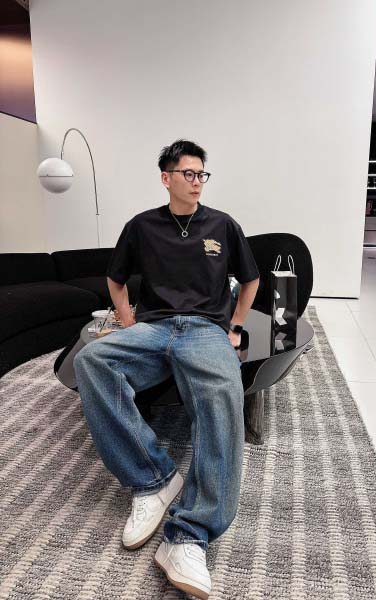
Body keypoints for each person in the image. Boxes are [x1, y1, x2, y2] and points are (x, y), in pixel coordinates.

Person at [73, 139, 260, 599]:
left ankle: (188, 537)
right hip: (154, 328)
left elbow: (251, 279)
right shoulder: (142, 226)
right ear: (166, 178)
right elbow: (115, 279)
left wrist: (235, 327)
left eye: (202, 174)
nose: (197, 182)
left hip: (205, 329)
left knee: (223, 394)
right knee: (91, 360)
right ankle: (152, 479)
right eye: (188, 174)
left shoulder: (222, 225)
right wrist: (128, 324)